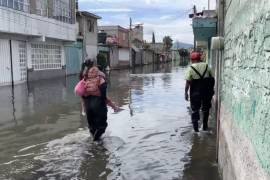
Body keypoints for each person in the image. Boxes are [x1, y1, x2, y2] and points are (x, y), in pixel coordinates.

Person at [184, 51, 215, 132]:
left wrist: (186, 93)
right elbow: (212, 77)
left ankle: (196, 130)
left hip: (195, 92)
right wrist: (212, 89)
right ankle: (205, 127)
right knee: (206, 108)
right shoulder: (206, 66)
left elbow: (188, 82)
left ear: (192, 60)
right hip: (206, 91)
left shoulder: (190, 68)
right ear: (199, 59)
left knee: (195, 109)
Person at [83, 66, 108, 141]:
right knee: (102, 126)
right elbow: (103, 96)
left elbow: (82, 95)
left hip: (88, 107)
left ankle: (93, 140)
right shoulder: (101, 80)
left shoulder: (85, 81)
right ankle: (95, 142)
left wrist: (84, 107)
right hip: (98, 107)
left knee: (92, 127)